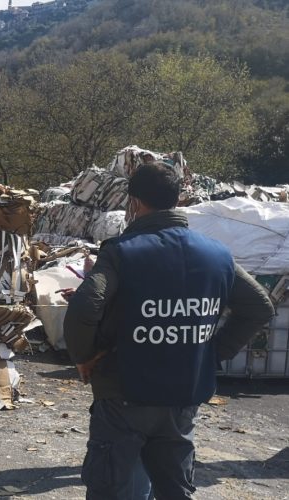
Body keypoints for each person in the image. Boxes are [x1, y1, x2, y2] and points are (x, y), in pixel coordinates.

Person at [63, 164, 275, 499]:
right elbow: (259, 307)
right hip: (182, 398)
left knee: (112, 488)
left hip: (124, 396)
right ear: (179, 199)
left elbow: (85, 307)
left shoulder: (121, 252)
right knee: (175, 490)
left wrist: (84, 356)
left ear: (133, 202)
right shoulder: (217, 255)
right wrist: (211, 353)